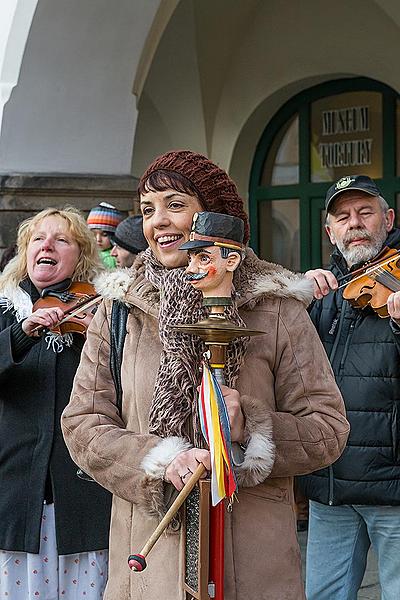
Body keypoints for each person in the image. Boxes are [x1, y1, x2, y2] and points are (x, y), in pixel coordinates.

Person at [61, 150, 349, 600]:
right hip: (149, 564)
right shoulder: (120, 311)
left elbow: (328, 429)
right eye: (148, 210)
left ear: (215, 216)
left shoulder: (275, 309)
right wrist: (159, 458)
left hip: (254, 565)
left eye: (175, 205)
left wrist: (251, 430)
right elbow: (82, 424)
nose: (159, 222)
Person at [0, 206, 112, 599]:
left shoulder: (100, 310)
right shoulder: (4, 309)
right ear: (24, 251)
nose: (46, 245)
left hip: (80, 490)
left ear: (80, 255)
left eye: (60, 239)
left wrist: (97, 333)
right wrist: (21, 334)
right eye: (37, 239)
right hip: (15, 489)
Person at [299, 174, 400, 600]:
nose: (354, 223)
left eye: (365, 213)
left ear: (388, 219)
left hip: (394, 485)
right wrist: (297, 304)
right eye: (343, 216)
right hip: (332, 482)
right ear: (330, 231)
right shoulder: (322, 293)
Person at [87, 201, 123, 268]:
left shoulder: (110, 257)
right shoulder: (89, 253)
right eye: (93, 234)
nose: (98, 239)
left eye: (104, 235)